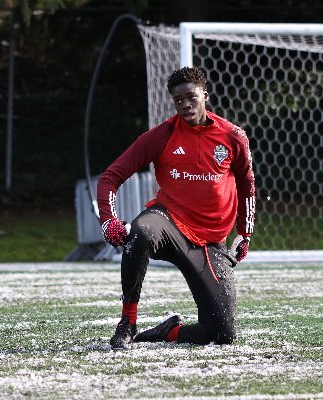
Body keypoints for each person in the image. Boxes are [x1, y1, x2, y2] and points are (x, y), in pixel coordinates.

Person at [97, 67, 255, 349]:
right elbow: (110, 177)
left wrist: (245, 232)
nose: (184, 104)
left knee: (221, 334)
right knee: (141, 231)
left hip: (209, 243)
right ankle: (127, 322)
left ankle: (165, 331)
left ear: (204, 95)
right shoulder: (161, 136)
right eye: (177, 99)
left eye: (190, 97)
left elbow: (247, 186)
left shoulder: (233, 137)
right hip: (168, 225)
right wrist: (108, 220)